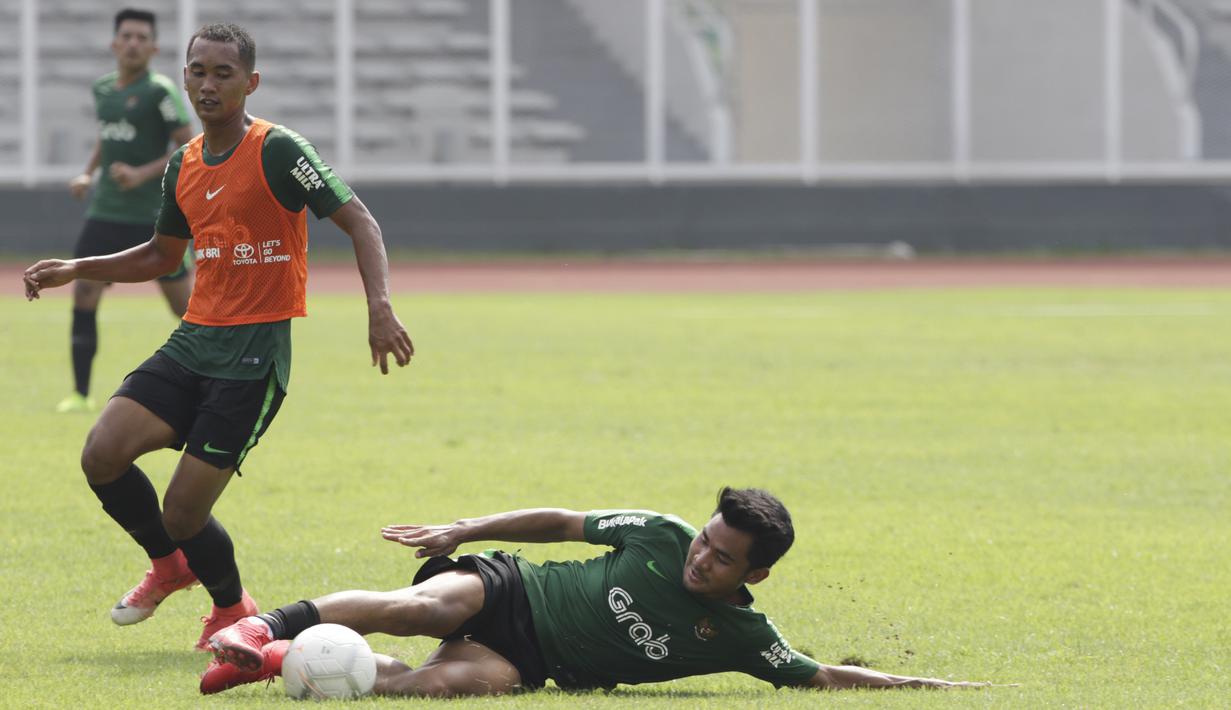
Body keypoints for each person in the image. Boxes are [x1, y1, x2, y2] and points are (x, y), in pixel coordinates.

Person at [23, 22, 414, 651]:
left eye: (222, 73)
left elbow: (359, 219)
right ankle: (169, 565)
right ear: (183, 78)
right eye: (197, 71)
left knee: (182, 513)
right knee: (102, 453)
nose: (207, 84)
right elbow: (160, 255)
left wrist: (379, 304)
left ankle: (232, 608)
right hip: (193, 343)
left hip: (252, 358)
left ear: (250, 82)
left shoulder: (279, 150)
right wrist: (78, 268)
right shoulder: (183, 163)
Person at [199, 488, 993, 696]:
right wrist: (465, 531)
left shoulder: (745, 640)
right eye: (703, 541)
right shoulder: (656, 529)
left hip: (529, 663)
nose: (699, 559)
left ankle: (276, 666)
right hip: (507, 589)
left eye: (721, 560)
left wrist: (936, 683)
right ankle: (261, 626)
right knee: (425, 608)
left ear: (756, 576)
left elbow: (820, 675)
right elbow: (561, 523)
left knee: (433, 687)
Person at [58, 8, 197, 414]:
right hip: (105, 211)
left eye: (142, 38)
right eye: (127, 36)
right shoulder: (103, 90)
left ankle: (214, 374)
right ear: (114, 43)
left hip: (155, 216)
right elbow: (107, 138)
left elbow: (186, 146)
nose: (133, 43)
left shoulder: (161, 91)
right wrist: (88, 174)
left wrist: (141, 174)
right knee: (83, 291)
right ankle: (80, 393)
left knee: (183, 307)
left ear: (153, 47)